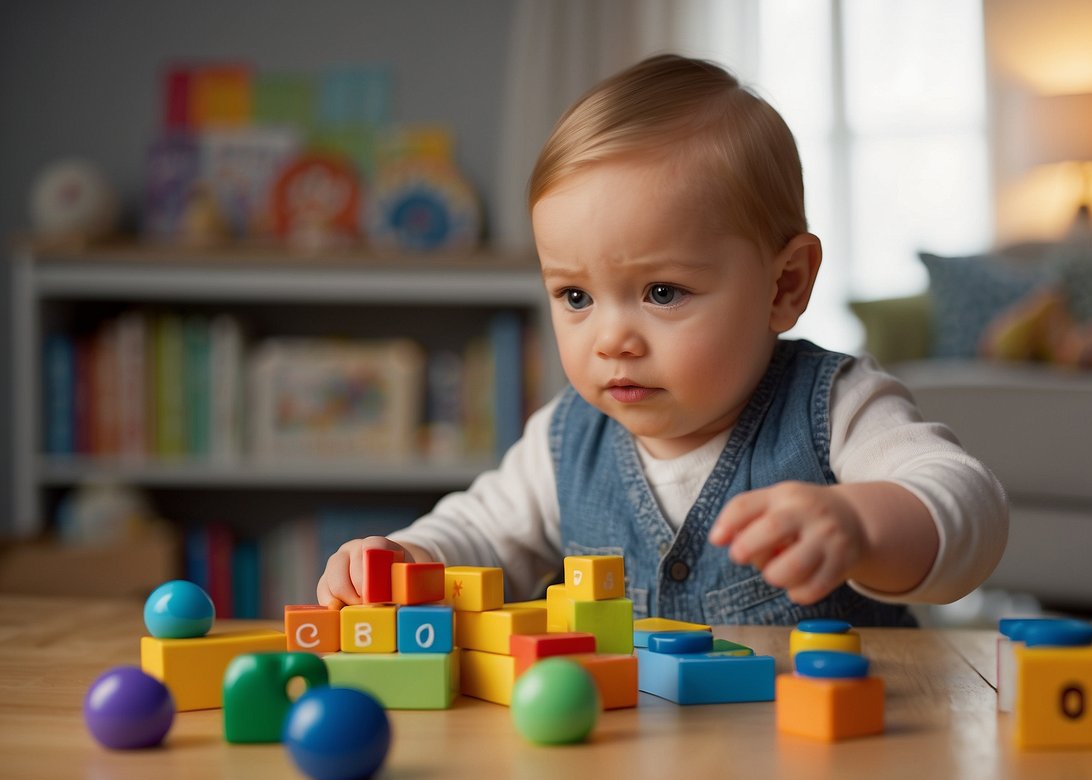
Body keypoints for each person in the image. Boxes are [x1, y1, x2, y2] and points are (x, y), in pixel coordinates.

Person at [317, 54, 1008, 626]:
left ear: (784, 286)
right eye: (575, 297)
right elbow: (478, 534)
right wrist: (405, 558)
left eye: (661, 293)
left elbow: (965, 504)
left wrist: (859, 524)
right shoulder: (565, 440)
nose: (612, 338)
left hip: (820, 767)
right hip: (634, 772)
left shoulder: (834, 408)